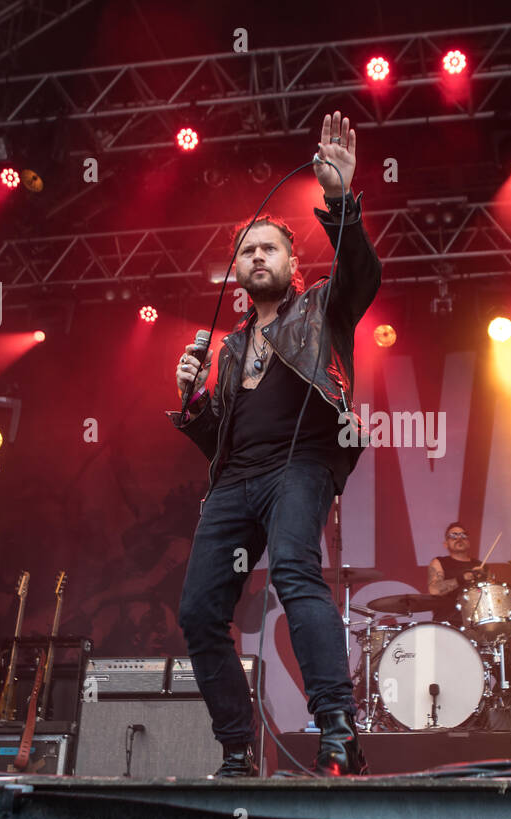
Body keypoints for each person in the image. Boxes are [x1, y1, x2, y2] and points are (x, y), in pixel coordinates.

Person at [171, 110, 381, 777]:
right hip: (237, 481)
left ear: (292, 263)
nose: (259, 257)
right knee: (199, 611)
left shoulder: (321, 307)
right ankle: (237, 747)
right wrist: (194, 400)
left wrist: (341, 199)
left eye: (271, 249)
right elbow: (218, 444)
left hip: (303, 463)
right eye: (248, 251)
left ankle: (337, 728)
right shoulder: (230, 350)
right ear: (235, 270)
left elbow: (362, 276)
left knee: (293, 571)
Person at [426, 522, 486, 626]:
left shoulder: (481, 566)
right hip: (448, 623)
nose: (459, 538)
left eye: (463, 535)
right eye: (453, 536)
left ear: (469, 542)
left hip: (477, 624)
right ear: (446, 544)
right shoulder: (439, 562)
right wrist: (463, 578)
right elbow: (434, 590)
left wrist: (483, 578)